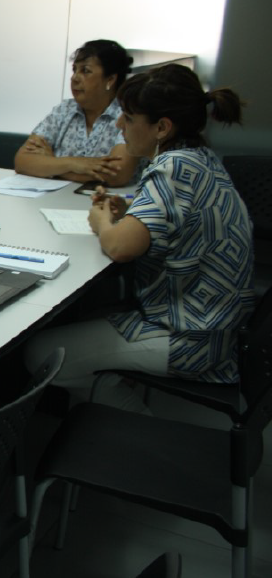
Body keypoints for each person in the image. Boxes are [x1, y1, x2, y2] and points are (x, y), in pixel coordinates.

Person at [24, 64, 254, 412]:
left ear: (162, 127)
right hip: (217, 326)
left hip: (190, 339)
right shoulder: (199, 158)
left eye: (129, 118)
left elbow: (120, 247)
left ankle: (133, 420)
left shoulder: (172, 168)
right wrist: (132, 211)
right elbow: (181, 216)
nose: (120, 125)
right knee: (84, 320)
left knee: (41, 352)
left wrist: (101, 220)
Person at [15, 40, 141, 186]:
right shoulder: (64, 110)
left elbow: (116, 174)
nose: (74, 78)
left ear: (110, 79)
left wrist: (53, 164)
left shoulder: (128, 115)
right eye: (74, 70)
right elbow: (22, 161)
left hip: (110, 198)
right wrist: (72, 163)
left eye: (85, 71)